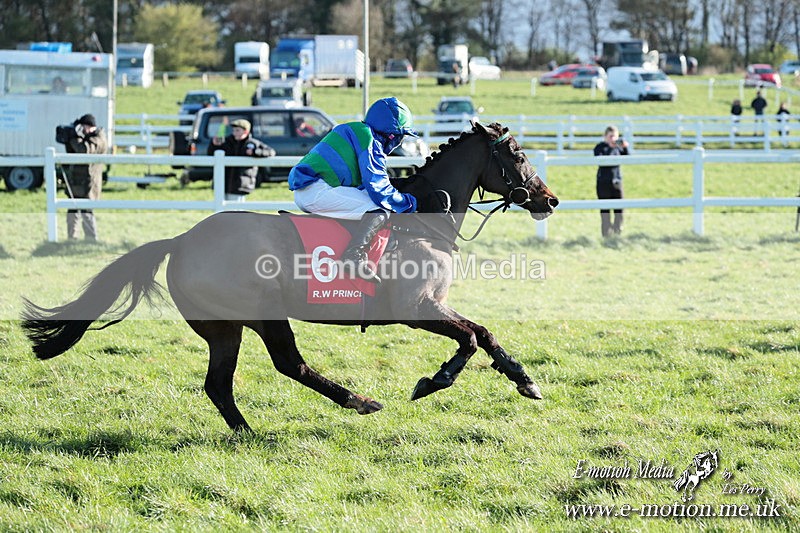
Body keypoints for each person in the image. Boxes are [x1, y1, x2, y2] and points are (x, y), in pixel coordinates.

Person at [288, 97, 418, 282]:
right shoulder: (369, 139)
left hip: (311, 189)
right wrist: (409, 203)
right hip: (316, 191)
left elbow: (365, 184)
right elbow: (377, 188)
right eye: (401, 136)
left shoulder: (355, 130)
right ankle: (353, 256)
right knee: (379, 209)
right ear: (391, 135)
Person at [207, 118, 275, 202]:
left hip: (239, 185)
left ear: (245, 131)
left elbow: (271, 152)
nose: (234, 133)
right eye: (234, 130)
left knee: (236, 209)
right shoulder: (226, 142)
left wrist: (255, 152)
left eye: (237, 130)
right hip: (222, 184)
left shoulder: (253, 143)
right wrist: (213, 145)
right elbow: (211, 154)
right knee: (220, 207)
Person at [64, 114, 107, 241]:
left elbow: (84, 150)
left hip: (89, 182)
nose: (82, 130)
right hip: (78, 180)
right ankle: (72, 238)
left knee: (86, 212)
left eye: (84, 127)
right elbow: (74, 152)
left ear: (90, 126)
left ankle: (91, 239)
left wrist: (74, 137)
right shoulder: (89, 138)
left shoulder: (99, 139)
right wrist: (69, 140)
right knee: (73, 212)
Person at [594, 125, 628, 238]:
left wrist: (625, 147)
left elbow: (628, 157)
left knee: (620, 208)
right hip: (603, 182)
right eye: (610, 136)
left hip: (617, 181)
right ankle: (606, 234)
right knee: (605, 210)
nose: (613, 139)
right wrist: (609, 147)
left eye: (615, 136)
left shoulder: (618, 148)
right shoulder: (600, 147)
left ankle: (617, 231)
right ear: (605, 136)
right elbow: (600, 159)